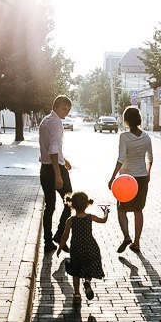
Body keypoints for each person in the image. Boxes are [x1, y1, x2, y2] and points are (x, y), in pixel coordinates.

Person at [108, 105, 153, 254]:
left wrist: (113, 176)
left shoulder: (124, 137)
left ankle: (127, 236)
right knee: (138, 210)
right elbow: (150, 158)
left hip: (126, 180)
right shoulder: (146, 137)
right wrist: (148, 173)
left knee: (122, 210)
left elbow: (121, 158)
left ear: (126, 121)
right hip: (141, 178)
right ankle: (137, 243)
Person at [56, 191, 108, 302]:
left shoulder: (71, 220)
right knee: (88, 267)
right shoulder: (90, 217)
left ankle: (77, 294)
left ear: (72, 205)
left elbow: (65, 236)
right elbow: (103, 220)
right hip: (90, 246)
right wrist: (106, 212)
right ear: (87, 204)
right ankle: (87, 282)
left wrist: (60, 247)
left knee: (76, 270)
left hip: (76, 248)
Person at [39, 95, 74, 252]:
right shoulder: (57, 122)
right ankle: (60, 235)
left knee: (50, 206)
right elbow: (53, 148)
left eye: (68, 110)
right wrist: (58, 174)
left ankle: (48, 242)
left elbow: (51, 147)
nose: (65, 113)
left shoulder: (45, 120)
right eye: (63, 109)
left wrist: (63, 159)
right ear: (56, 107)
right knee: (70, 202)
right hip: (55, 169)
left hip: (45, 169)